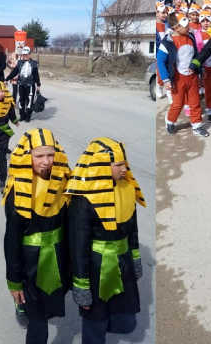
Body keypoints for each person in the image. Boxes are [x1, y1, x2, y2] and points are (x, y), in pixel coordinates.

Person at [66, 138, 146, 344]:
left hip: (123, 261)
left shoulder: (127, 189)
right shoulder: (83, 201)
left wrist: (135, 258)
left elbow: (133, 231)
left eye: (124, 163)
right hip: (96, 268)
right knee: (95, 322)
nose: (124, 169)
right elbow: (78, 247)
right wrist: (81, 285)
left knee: (123, 319)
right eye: (118, 165)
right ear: (101, 166)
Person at [3, 128, 72, 343]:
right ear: (27, 157)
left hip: (58, 256)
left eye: (51, 154)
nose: (46, 162)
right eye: (39, 156)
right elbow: (12, 241)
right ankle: (21, 305)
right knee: (37, 319)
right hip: (30, 261)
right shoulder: (18, 190)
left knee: (52, 301)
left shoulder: (63, 182)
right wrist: (14, 282)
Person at [157, 13, 209, 137]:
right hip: (178, 79)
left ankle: (197, 126)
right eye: (185, 26)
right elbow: (161, 61)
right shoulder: (167, 42)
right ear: (176, 28)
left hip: (192, 78)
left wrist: (200, 69)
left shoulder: (190, 37)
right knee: (178, 104)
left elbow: (196, 55)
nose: (189, 28)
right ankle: (169, 121)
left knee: (195, 102)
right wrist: (165, 80)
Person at [5, 47, 41, 123]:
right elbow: (14, 72)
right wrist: (7, 79)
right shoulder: (20, 63)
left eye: (26, 54)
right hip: (21, 84)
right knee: (21, 100)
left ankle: (28, 116)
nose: (25, 56)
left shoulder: (34, 63)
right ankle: (22, 115)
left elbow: (36, 75)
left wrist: (38, 85)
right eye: (23, 54)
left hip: (30, 85)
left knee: (29, 100)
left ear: (29, 54)